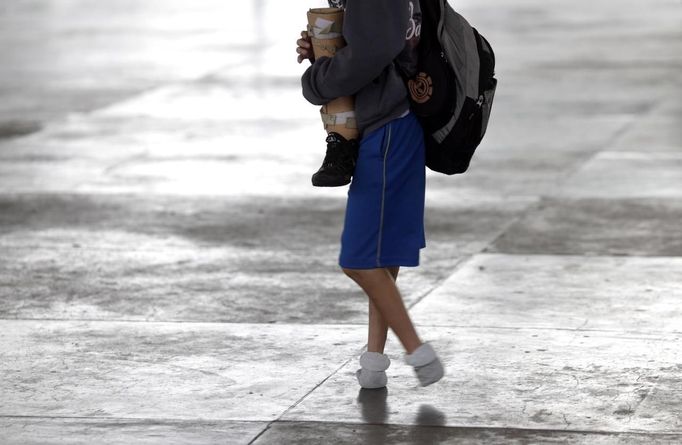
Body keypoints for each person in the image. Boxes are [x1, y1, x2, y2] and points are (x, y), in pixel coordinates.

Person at [296, 0, 444, 388]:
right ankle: (374, 363)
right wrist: (325, 49)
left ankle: (418, 352)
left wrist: (318, 80)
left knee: (359, 259)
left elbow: (372, 52)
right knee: (385, 252)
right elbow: (384, 38)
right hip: (402, 120)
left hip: (387, 127)